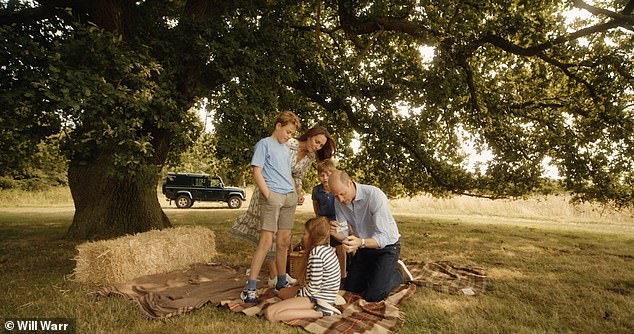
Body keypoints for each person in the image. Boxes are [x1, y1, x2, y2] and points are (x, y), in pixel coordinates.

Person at [231, 125, 336, 288]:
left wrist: (298, 193)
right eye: (317, 142)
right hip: (269, 192)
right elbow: (268, 165)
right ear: (310, 136)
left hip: (288, 195)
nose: (317, 147)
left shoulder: (309, 157)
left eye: (321, 145)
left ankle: (280, 276)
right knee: (269, 236)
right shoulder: (288, 143)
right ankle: (273, 275)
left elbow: (297, 176)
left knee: (283, 238)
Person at [240, 111, 301, 303]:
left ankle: (281, 282)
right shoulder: (264, 144)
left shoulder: (285, 149)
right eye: (288, 132)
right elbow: (256, 171)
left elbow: (287, 173)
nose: (289, 136)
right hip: (273, 197)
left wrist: (295, 192)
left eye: (292, 134)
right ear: (278, 126)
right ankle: (249, 288)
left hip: (288, 198)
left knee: (283, 242)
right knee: (266, 242)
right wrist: (268, 195)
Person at [328, 170, 413, 302]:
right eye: (335, 196)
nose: (340, 199)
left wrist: (360, 242)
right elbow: (344, 234)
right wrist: (336, 234)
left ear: (350, 183)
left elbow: (384, 237)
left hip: (387, 247)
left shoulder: (374, 195)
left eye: (342, 194)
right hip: (364, 247)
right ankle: (378, 273)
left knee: (373, 296)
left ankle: (398, 273)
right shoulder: (338, 201)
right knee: (351, 288)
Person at [265, 216, 342, 322]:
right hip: (320, 294)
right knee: (282, 292)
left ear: (313, 236)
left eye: (305, 234)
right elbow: (314, 282)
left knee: (270, 313)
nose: (302, 237)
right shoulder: (326, 249)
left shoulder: (317, 254)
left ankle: (319, 312)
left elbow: (313, 289)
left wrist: (297, 297)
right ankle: (315, 307)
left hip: (317, 299)